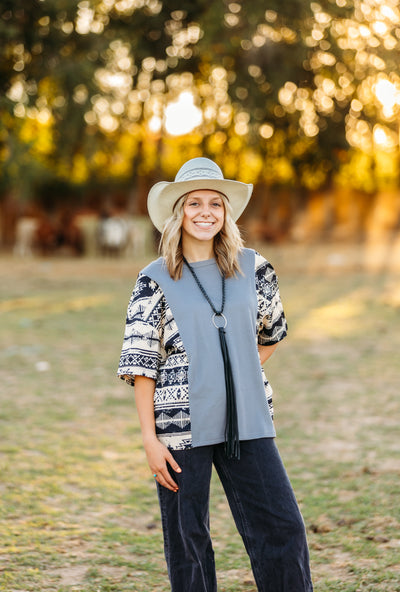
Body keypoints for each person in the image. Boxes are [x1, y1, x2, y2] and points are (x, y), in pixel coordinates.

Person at [117, 157, 313, 592]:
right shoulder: (153, 279)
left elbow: (272, 334)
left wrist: (236, 376)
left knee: (283, 528)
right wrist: (150, 439)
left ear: (226, 212)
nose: (205, 212)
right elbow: (142, 366)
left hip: (248, 420)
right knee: (188, 542)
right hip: (179, 428)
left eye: (215, 204)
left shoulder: (254, 267)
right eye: (194, 203)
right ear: (179, 212)